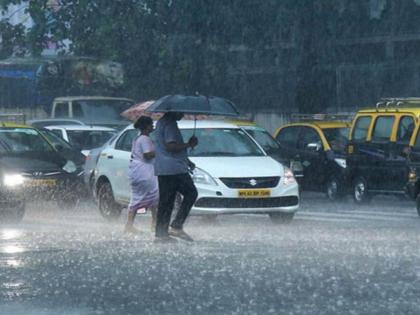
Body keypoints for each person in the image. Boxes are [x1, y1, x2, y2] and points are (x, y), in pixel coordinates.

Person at [154, 111, 198, 242]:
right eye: (181, 112)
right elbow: (171, 146)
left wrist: (187, 160)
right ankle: (177, 225)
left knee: (166, 202)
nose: (183, 114)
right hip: (175, 169)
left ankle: (161, 233)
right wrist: (189, 144)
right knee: (191, 193)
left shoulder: (161, 123)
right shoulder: (170, 124)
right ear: (173, 111)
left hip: (164, 168)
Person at [124, 116, 159, 234]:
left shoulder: (138, 138)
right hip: (144, 172)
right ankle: (153, 224)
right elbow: (147, 155)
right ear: (146, 126)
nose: (153, 126)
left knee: (143, 197)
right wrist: (160, 150)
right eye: (151, 124)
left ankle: (131, 225)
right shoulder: (144, 139)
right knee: (153, 196)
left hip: (138, 171)